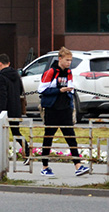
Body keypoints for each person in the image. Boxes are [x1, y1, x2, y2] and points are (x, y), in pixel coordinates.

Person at [36, 46, 90, 177]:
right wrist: (59, 90)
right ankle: (45, 166)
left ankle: (78, 165)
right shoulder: (51, 72)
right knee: (48, 137)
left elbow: (70, 87)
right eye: (67, 60)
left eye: (70, 60)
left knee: (71, 137)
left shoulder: (69, 72)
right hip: (52, 109)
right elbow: (41, 90)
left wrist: (69, 93)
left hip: (65, 108)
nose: (69, 63)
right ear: (60, 59)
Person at [0, 52, 29, 163]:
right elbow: (19, 91)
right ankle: (27, 151)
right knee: (16, 132)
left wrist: (1, 111)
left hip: (4, 108)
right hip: (16, 107)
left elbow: (3, 95)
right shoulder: (16, 74)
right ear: (9, 63)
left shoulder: (1, 76)